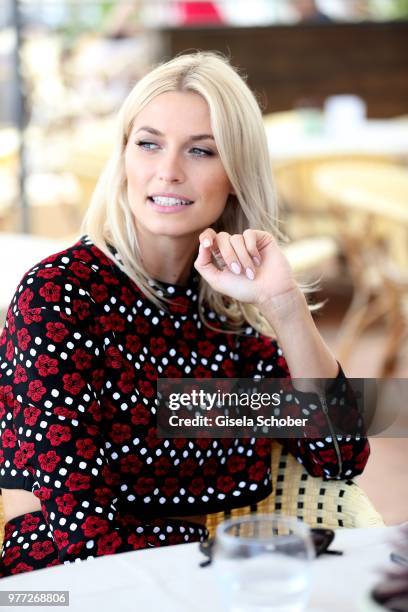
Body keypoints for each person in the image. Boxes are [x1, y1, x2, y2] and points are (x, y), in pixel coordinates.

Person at [0, 51, 369, 576]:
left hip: (194, 574)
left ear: (236, 174)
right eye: (148, 144)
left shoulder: (225, 314)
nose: (167, 172)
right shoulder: (59, 296)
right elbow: (81, 527)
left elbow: (338, 457)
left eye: (200, 151)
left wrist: (284, 305)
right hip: (67, 582)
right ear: (124, 158)